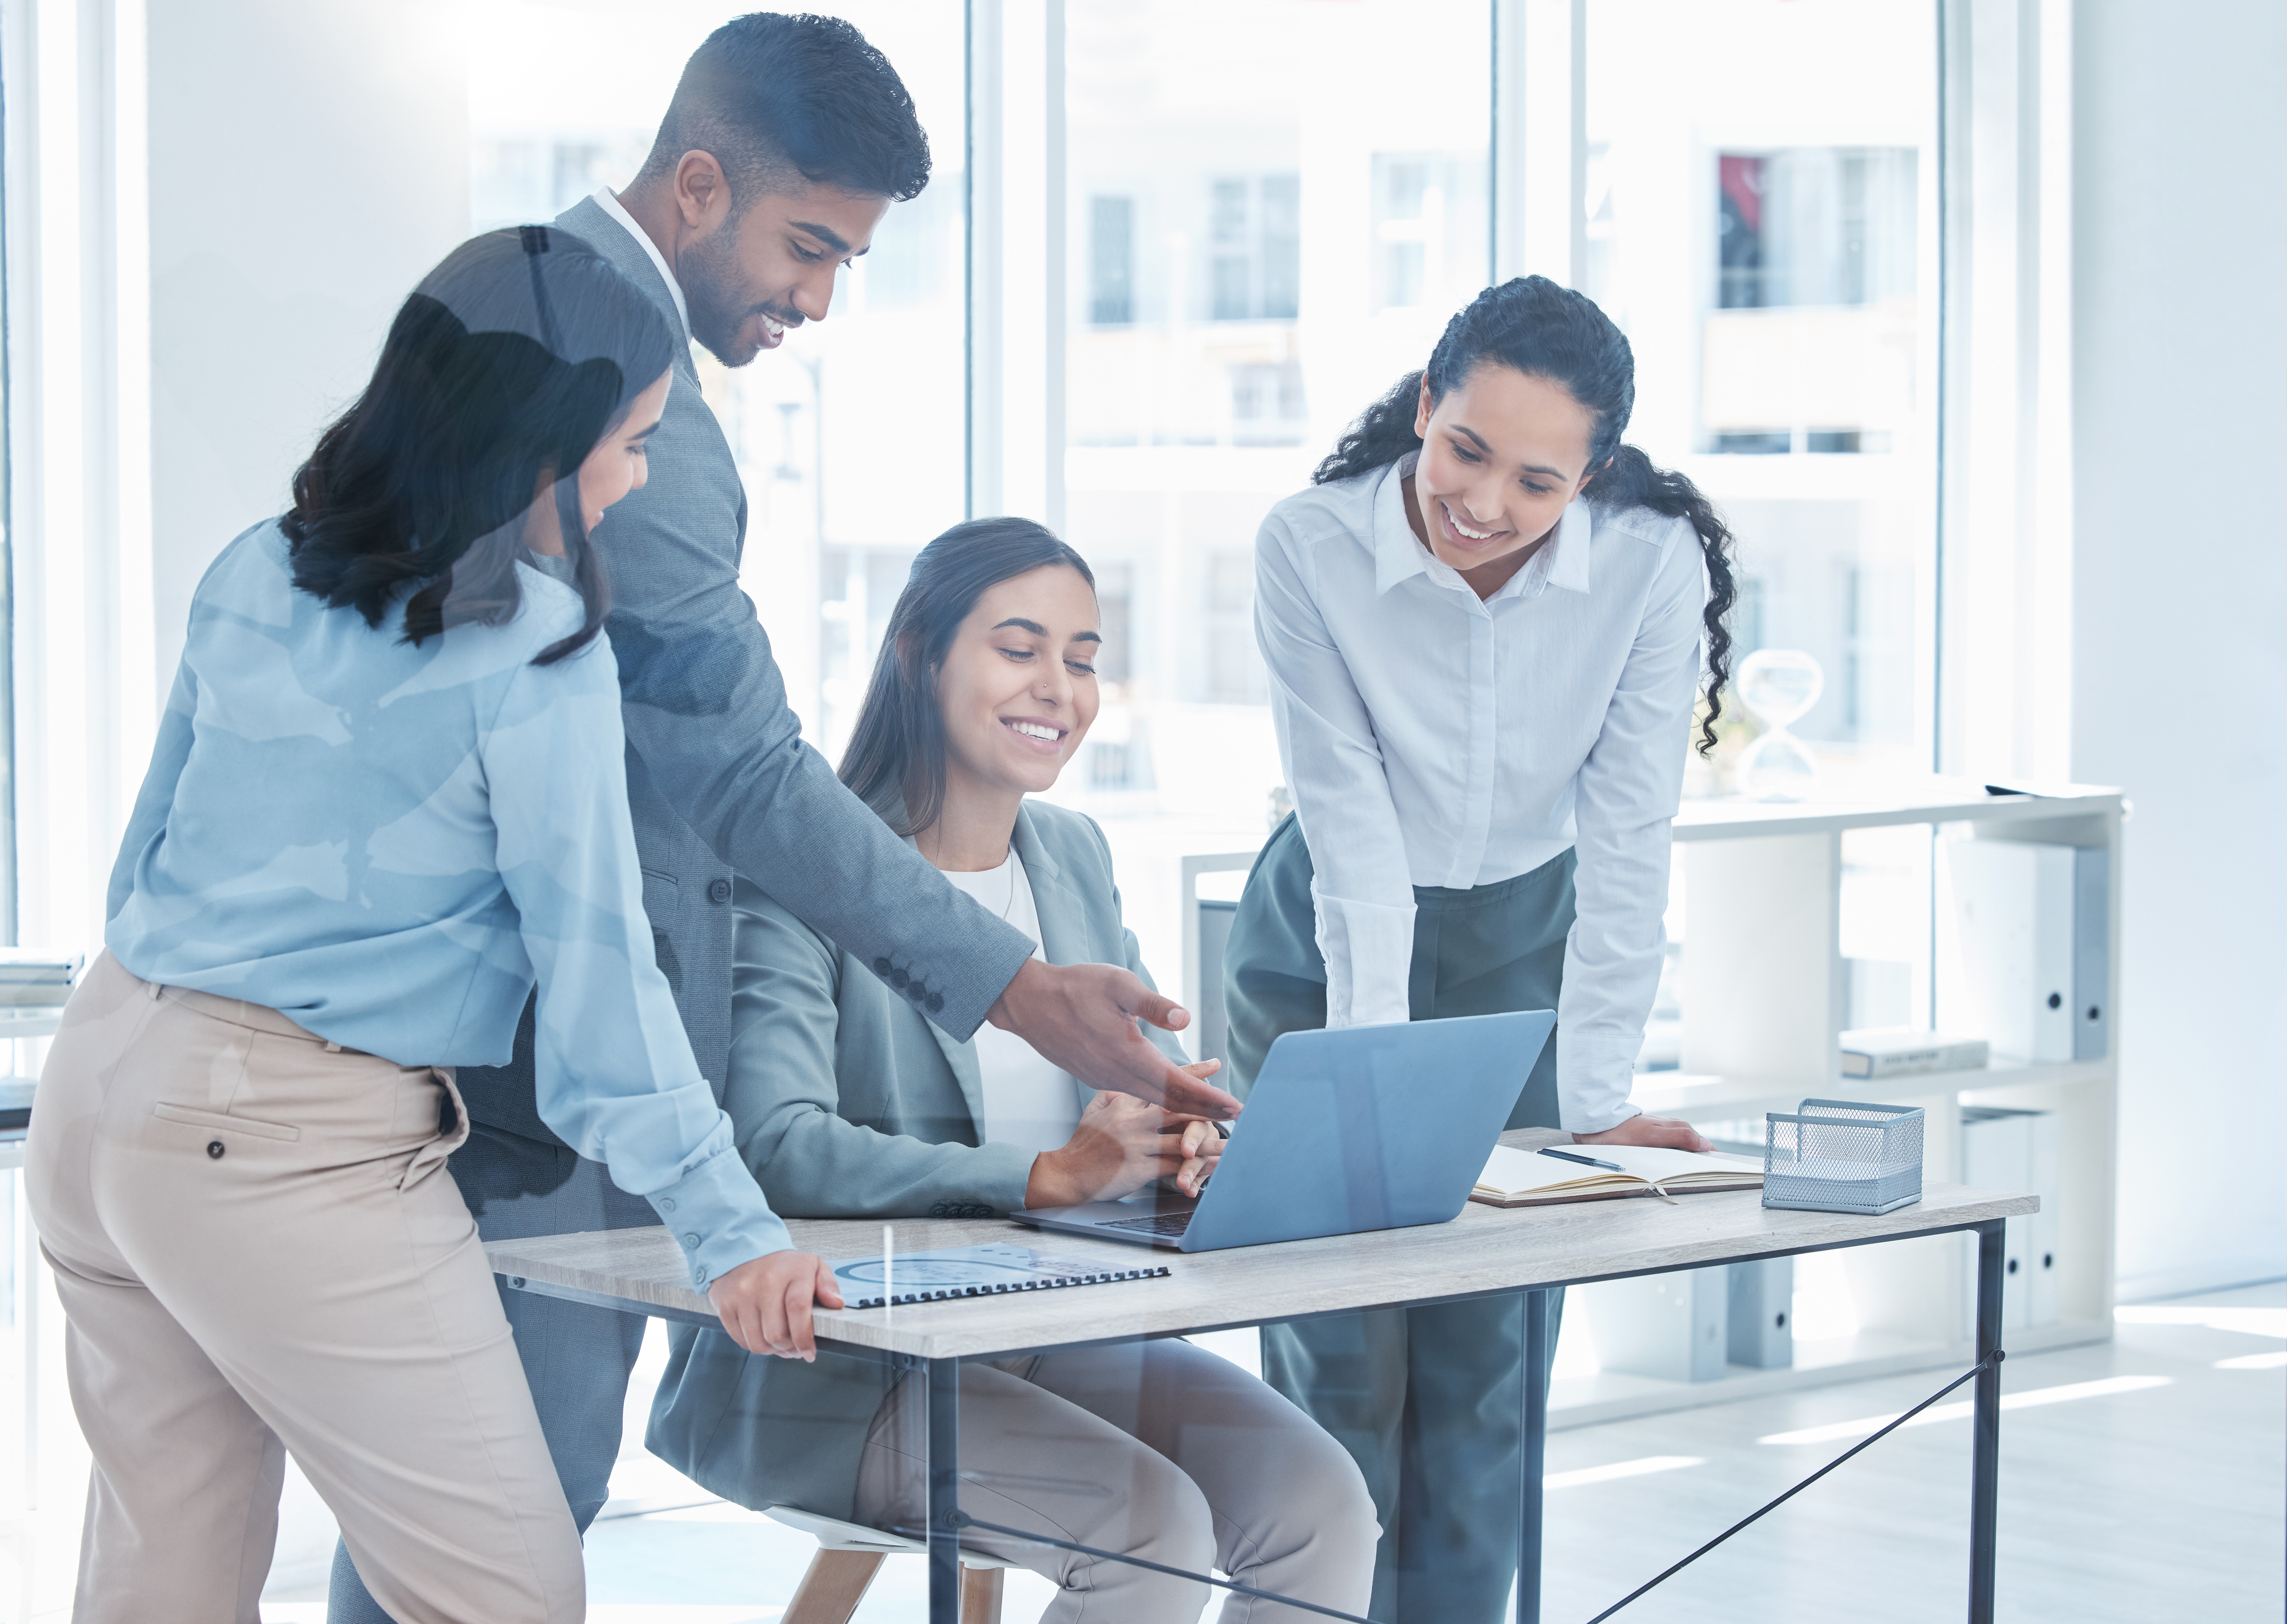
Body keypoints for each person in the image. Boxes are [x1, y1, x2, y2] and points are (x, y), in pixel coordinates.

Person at [333, 17, 1241, 1619]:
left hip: (487, 1047)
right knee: (499, 1521)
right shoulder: (637, 406)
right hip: (536, 1075)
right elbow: (743, 770)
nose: (820, 299)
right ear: (698, 184)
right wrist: (1016, 984)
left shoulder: (514, 288)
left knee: (458, 1515)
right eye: (807, 244)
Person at [26, 228, 835, 1624]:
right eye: (630, 443)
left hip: (100, 1088)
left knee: (164, 1585)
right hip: (280, 1144)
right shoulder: (530, 645)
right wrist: (735, 1233)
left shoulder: (255, 566)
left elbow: (141, 860)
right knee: (509, 1594)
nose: (637, 479)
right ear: (544, 444)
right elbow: (604, 1000)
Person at [647, 517, 1380, 1624]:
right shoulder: (803, 866)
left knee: (1321, 1501)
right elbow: (774, 1144)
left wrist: (1185, 1138)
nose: (1059, 686)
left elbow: (1145, 1084)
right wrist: (1048, 1173)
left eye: (1082, 659)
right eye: (1019, 646)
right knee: (1148, 1531)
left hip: (1054, 1334)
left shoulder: (1071, 853)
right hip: (835, 1370)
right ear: (920, 653)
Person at [1222, 274, 1736, 1623]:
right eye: (1462, 450)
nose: (1484, 504)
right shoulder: (1308, 544)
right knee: (1335, 1360)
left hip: (1527, 945)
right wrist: (1374, 1089)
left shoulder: (1644, 563)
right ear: (1420, 409)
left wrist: (1598, 1100)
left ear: (1594, 472)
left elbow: (1628, 836)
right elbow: (1349, 836)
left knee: (1487, 1365)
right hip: (1323, 953)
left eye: (1535, 479)